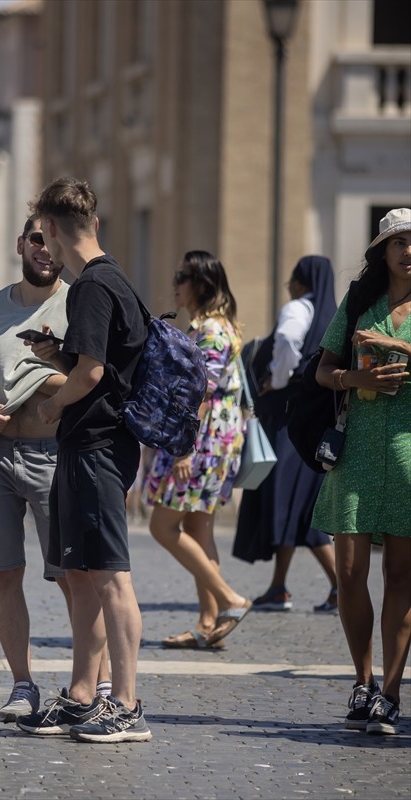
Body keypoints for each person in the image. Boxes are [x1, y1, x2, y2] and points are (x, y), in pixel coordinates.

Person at [0, 213, 111, 723]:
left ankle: (97, 684)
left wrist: (52, 377)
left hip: (56, 455)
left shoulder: (81, 301)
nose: (44, 248)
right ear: (21, 243)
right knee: (3, 574)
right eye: (36, 238)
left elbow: (97, 377)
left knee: (75, 576)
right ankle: (22, 685)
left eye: (52, 239)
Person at [14, 177, 151, 743]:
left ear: (48, 230)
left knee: (111, 575)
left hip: (97, 443)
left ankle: (126, 703)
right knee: (81, 571)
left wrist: (53, 400)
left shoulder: (93, 286)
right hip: (90, 443)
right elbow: (100, 359)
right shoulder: (111, 278)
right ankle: (81, 695)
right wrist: (60, 353)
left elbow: (93, 375)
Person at [312, 207, 411, 736]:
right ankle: (363, 680)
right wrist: (350, 375)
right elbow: (322, 370)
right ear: (383, 251)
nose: (408, 251)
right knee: (349, 572)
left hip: (409, 455)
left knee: (400, 576)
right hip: (356, 454)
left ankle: (391, 694)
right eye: (399, 242)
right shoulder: (358, 302)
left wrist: (400, 347)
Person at [144, 251, 252, 650]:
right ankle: (209, 623)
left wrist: (184, 451)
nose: (175, 283)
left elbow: (201, 393)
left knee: (162, 526)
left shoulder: (211, 330)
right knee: (197, 528)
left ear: (201, 285)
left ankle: (230, 600)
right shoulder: (212, 326)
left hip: (203, 443)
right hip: (214, 441)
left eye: (182, 277)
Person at [233, 256, 339, 613]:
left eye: (291, 281)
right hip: (314, 422)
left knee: (294, 505)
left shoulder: (297, 308)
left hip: (286, 422)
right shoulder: (333, 315)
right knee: (297, 507)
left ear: (300, 281)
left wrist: (275, 380)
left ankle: (335, 587)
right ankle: (280, 586)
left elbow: (287, 340)